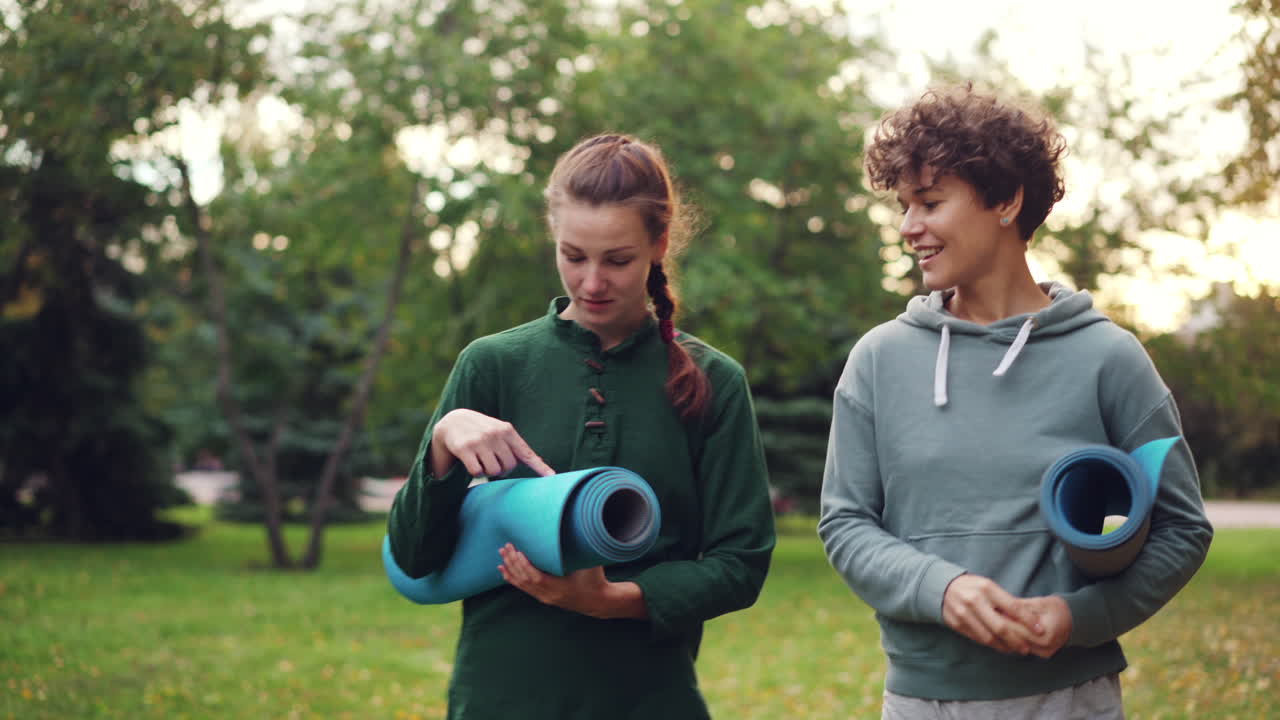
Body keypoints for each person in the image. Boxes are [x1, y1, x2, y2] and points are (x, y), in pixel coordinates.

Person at [818, 85, 1213, 719]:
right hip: (924, 701)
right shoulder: (879, 359)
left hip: (1069, 699)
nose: (907, 227)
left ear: (1005, 201)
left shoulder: (1107, 358)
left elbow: (1182, 529)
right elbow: (845, 524)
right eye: (903, 206)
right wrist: (940, 589)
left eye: (930, 202)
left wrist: (1078, 616)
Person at [386, 133, 776, 719]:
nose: (592, 282)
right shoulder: (491, 364)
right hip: (501, 701)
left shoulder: (714, 381)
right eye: (574, 256)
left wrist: (612, 601)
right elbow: (416, 559)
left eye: (617, 260)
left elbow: (740, 564)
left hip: (648, 700)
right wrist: (442, 445)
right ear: (554, 238)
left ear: (658, 244)